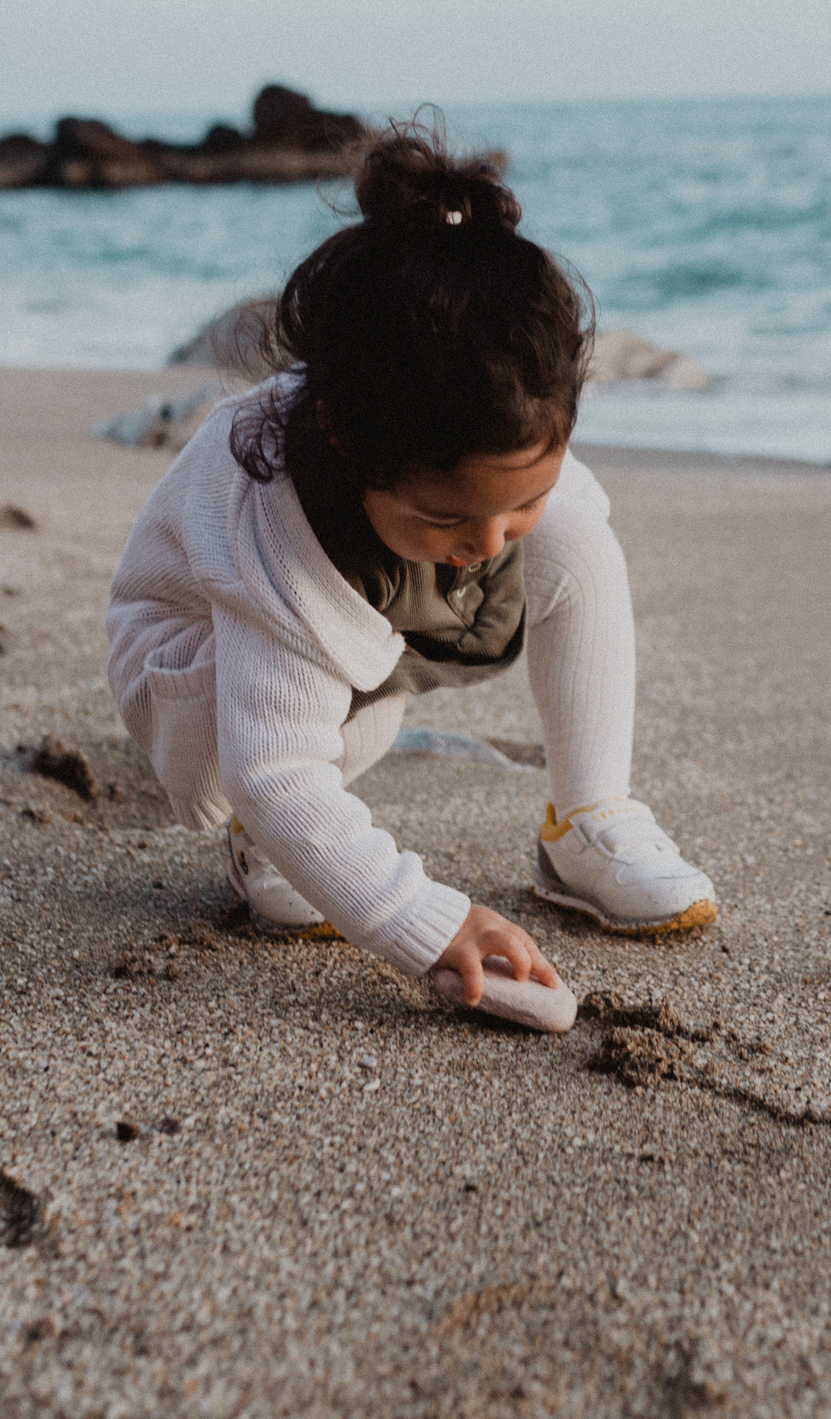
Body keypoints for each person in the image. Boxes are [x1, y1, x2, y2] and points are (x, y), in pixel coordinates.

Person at [105, 125, 718, 1006]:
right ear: (347, 446)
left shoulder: (495, 411)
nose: (491, 539)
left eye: (521, 496)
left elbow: (505, 514)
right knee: (303, 756)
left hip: (367, 597)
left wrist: (498, 518)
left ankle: (588, 821)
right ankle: (263, 846)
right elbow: (271, 769)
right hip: (197, 673)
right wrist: (428, 920)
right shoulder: (274, 518)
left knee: (578, 542)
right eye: (449, 515)